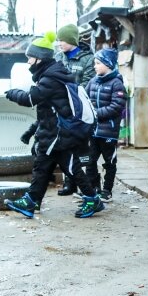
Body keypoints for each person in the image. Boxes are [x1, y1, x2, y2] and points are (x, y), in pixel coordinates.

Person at [3, 32, 103, 219]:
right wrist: (31, 132)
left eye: (30, 58)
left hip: (57, 134)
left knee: (63, 167)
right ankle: (32, 201)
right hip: (54, 133)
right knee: (46, 166)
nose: (28, 62)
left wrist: (12, 93)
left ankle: (91, 199)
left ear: (39, 58)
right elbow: (47, 110)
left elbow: (31, 99)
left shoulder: (50, 78)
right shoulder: (51, 74)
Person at [55, 23, 96, 196]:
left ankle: (91, 184)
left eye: (62, 40)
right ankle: (69, 183)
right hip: (62, 109)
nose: (59, 43)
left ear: (72, 40)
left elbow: (87, 83)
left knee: (83, 150)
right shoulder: (59, 58)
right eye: (58, 40)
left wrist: (72, 97)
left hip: (79, 110)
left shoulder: (88, 59)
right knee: (65, 147)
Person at [85, 48, 127, 202]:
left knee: (109, 162)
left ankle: (107, 190)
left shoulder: (117, 83)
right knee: (90, 161)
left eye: (98, 63)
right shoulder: (92, 82)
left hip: (108, 132)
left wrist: (95, 113)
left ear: (108, 64)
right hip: (92, 131)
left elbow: (116, 106)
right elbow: (85, 100)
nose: (95, 66)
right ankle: (94, 188)